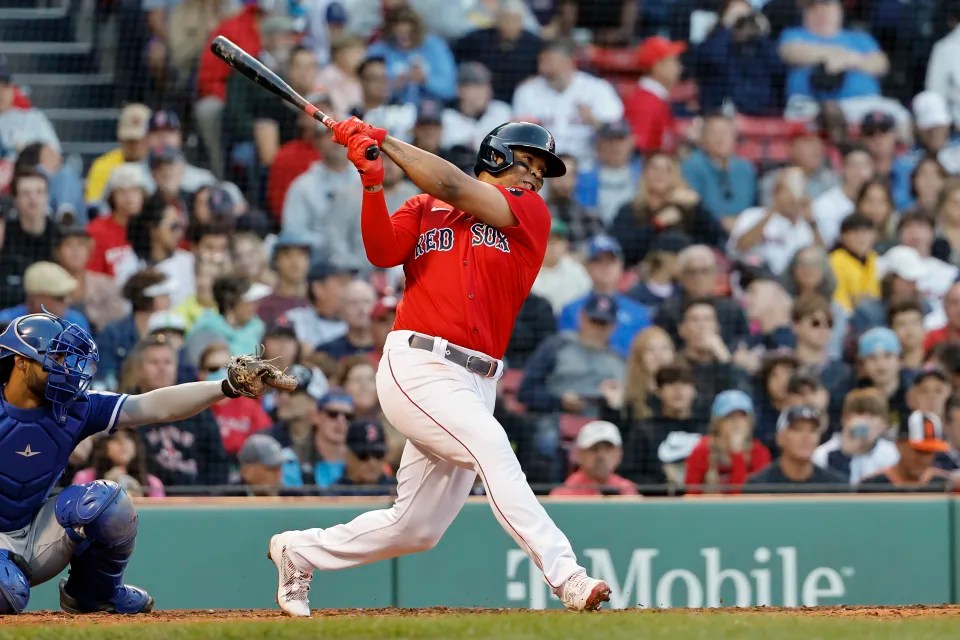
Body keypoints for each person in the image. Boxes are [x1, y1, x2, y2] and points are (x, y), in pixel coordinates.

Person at [267, 118, 613, 615]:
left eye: (542, 171)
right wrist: (371, 183)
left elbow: (451, 182)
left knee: (417, 528)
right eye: (528, 163)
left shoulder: (529, 214)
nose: (535, 178)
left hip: (477, 381)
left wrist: (382, 141)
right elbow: (382, 250)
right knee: (492, 445)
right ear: (495, 155)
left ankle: (299, 552)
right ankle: (569, 577)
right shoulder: (424, 207)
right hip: (418, 364)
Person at [0, 308, 293, 615]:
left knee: (108, 504)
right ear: (20, 361)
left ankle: (95, 594)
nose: (67, 370)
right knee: (7, 594)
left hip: (33, 534)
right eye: (56, 359)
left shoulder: (74, 407)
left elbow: (152, 407)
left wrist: (225, 387)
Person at [511, 38, 624, 166]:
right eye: (541, 62)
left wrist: (594, 120)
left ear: (569, 62)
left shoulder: (597, 89)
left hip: (587, 166)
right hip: (541, 168)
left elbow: (618, 131)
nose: (542, 68)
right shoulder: (527, 91)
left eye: (549, 62)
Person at [557, 235, 652, 358]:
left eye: (611, 260)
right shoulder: (571, 309)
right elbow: (565, 351)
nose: (605, 266)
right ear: (587, 267)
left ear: (621, 266)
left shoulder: (639, 312)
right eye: (598, 260)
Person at [727, 167, 822, 275]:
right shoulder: (753, 215)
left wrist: (811, 220)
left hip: (790, 283)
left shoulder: (805, 226)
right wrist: (773, 211)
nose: (793, 198)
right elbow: (741, 246)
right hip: (754, 277)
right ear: (776, 193)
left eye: (799, 191)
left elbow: (821, 260)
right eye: (789, 190)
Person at [684, 390, 772, 495]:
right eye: (730, 417)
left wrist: (737, 454)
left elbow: (742, 494)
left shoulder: (759, 452)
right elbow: (691, 493)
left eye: (742, 417)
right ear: (718, 422)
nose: (737, 422)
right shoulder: (702, 450)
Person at [681, 113, 757, 231]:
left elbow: (753, 207)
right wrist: (721, 222)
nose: (721, 138)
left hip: (745, 233)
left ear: (735, 137)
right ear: (703, 138)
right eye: (714, 133)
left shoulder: (746, 168)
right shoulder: (692, 165)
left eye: (726, 133)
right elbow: (693, 208)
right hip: (706, 232)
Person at [745, 405, 847, 492]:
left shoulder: (836, 488)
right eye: (797, 430)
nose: (806, 437)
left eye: (812, 431)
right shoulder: (758, 487)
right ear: (780, 438)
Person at [813, 388, 899, 484]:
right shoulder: (822, 455)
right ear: (844, 419)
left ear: (884, 423)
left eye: (872, 415)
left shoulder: (894, 454)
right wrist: (844, 454)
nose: (865, 421)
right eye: (859, 413)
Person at [623, 35, 686, 155]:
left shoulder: (656, 98)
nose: (679, 67)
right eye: (673, 61)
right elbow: (637, 149)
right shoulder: (644, 102)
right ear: (657, 66)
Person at [860, 410, 952, 490]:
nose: (924, 459)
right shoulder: (873, 486)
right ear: (899, 445)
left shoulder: (945, 485)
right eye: (919, 450)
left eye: (929, 451)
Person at [71, 427, 165, 499]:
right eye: (115, 438)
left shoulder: (152, 483)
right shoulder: (84, 478)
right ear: (103, 445)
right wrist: (104, 488)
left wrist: (139, 500)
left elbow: (159, 519)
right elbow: (75, 515)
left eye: (128, 437)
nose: (123, 443)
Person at [812, 143, 876, 248]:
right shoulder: (824, 205)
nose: (859, 172)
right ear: (842, 169)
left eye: (864, 166)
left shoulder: (878, 200)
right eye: (854, 166)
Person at [550, 421, 637, 496]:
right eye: (593, 449)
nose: (601, 456)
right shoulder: (563, 495)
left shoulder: (627, 490)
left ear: (619, 453)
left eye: (608, 449)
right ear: (579, 454)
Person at [828, 213, 880, 313]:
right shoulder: (835, 260)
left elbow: (874, 296)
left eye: (866, 232)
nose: (862, 238)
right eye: (855, 233)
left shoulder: (873, 257)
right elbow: (839, 301)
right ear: (843, 236)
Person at [332, 419, 396, 496]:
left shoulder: (399, 491)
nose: (372, 462)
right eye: (363, 455)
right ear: (346, 455)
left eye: (378, 455)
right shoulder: (332, 496)